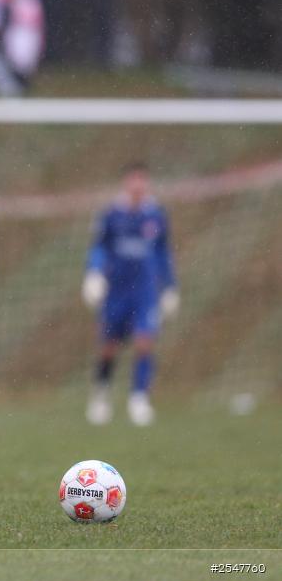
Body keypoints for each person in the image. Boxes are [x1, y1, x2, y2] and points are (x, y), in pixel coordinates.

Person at [82, 163, 179, 426]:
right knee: (109, 347)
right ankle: (101, 395)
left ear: (146, 185)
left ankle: (139, 399)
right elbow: (99, 247)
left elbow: (162, 253)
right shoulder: (112, 214)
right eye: (133, 182)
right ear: (126, 184)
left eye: (142, 182)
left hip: (145, 291)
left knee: (144, 342)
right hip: (116, 290)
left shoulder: (156, 215)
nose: (137, 187)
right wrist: (94, 273)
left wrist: (169, 286)